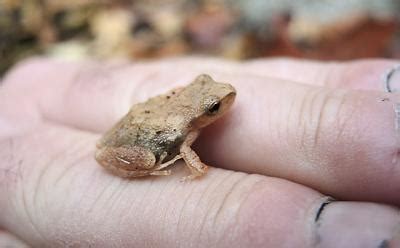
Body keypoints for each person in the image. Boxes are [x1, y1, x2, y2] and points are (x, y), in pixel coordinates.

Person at [0, 57, 399, 247]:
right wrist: (192, 169)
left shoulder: (187, 110)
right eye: (214, 108)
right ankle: (146, 168)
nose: (223, 103)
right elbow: (194, 164)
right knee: (157, 158)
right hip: (138, 141)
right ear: (201, 115)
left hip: (137, 120)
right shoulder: (187, 132)